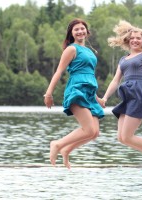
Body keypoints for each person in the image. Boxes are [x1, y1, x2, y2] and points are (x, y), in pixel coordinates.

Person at [100, 20, 142, 172]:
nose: (135, 40)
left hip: (139, 93)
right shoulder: (123, 59)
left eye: (138, 38)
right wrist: (104, 98)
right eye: (133, 38)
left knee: (128, 136)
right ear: (128, 40)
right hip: (128, 94)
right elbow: (116, 80)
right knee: (121, 138)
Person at [44, 18, 104, 169]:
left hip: (90, 93)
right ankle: (57, 144)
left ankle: (66, 150)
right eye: (76, 29)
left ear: (87, 31)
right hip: (77, 90)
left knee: (94, 133)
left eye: (82, 28)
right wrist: (49, 94)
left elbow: (89, 76)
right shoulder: (71, 49)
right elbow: (59, 71)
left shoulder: (90, 51)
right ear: (71, 33)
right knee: (88, 129)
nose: (80, 31)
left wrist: (98, 98)